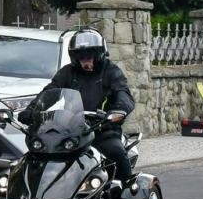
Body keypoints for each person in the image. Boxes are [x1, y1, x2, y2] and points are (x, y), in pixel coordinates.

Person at [21, 29, 135, 185]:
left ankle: (129, 192)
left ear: (98, 55)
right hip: (72, 130)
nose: (85, 61)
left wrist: (118, 110)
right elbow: (50, 91)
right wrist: (32, 110)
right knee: (40, 152)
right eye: (81, 57)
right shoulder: (68, 72)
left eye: (89, 56)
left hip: (103, 129)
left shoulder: (110, 71)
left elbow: (123, 93)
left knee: (116, 151)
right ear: (75, 57)